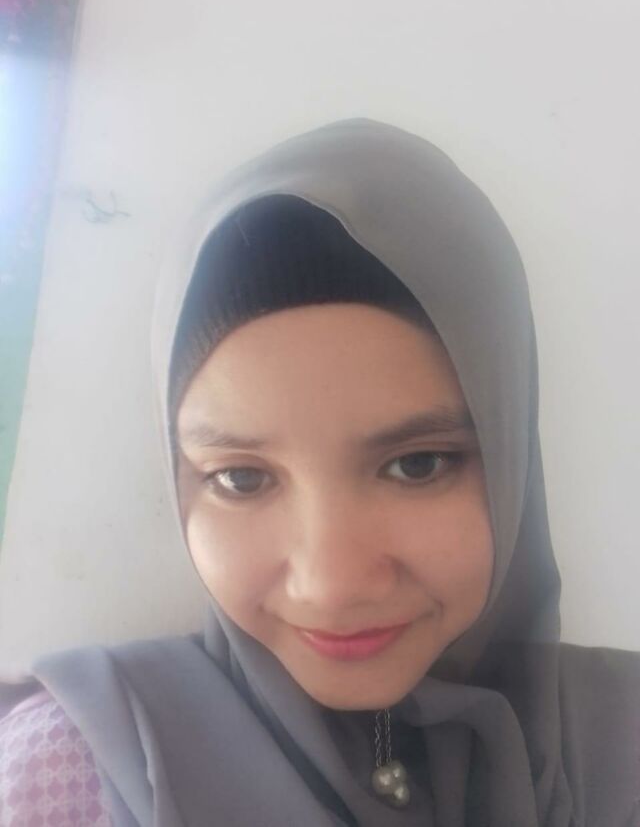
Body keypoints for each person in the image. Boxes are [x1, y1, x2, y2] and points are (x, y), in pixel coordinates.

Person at [1, 117, 638, 826]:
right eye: (241, 478)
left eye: (416, 465)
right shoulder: (77, 771)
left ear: (511, 456)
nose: (331, 585)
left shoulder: (623, 741)